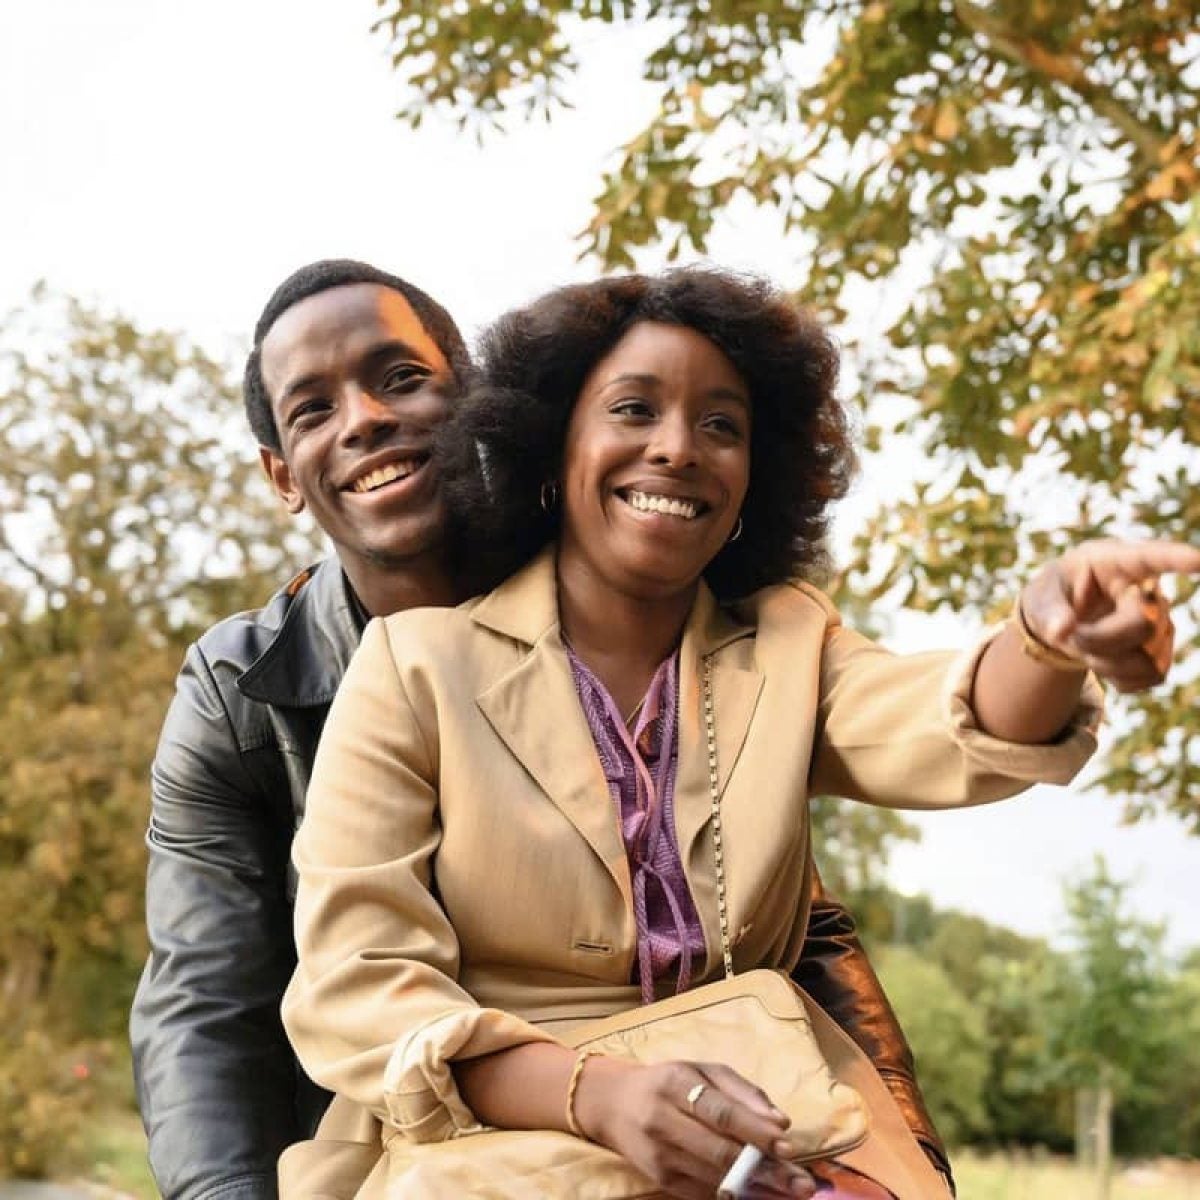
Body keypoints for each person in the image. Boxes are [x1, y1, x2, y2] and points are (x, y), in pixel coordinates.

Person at [279, 266, 1199, 1199]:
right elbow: (359, 983)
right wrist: (595, 1095)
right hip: (497, 1141)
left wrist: (1045, 638)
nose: (678, 448)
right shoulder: (414, 666)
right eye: (634, 410)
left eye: (721, 426)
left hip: (773, 1115)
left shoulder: (791, 642)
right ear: (552, 447)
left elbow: (938, 722)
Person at [129, 260, 953, 1200]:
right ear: (282, 473)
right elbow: (206, 1001)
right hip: (402, 1126)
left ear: (478, 402)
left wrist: (905, 1160)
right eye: (313, 409)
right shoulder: (236, 695)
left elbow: (791, 915)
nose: (363, 420)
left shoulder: (629, 587)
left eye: (402, 378)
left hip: (708, 1108)